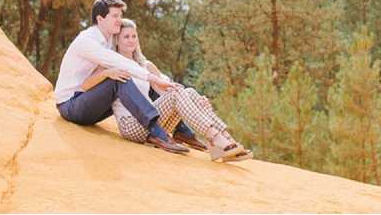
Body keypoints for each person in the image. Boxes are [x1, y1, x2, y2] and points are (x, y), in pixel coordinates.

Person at [82, 18, 253, 162]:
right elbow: (85, 85)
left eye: (134, 36)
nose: (131, 40)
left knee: (189, 92)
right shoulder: (110, 63)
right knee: (179, 94)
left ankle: (225, 142)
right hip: (132, 126)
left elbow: (167, 89)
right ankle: (217, 140)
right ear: (116, 40)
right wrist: (107, 73)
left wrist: (197, 101)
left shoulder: (145, 65)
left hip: (153, 123)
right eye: (126, 36)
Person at [54, 0, 189, 154]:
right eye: (115, 16)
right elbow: (117, 61)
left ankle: (182, 131)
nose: (119, 20)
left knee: (137, 81)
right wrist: (152, 77)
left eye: (120, 15)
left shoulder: (110, 37)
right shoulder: (87, 41)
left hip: (90, 98)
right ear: (100, 18)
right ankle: (157, 132)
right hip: (71, 106)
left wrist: (162, 81)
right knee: (119, 78)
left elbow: (135, 63)